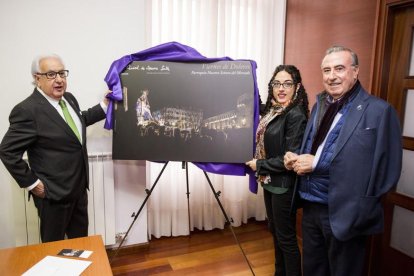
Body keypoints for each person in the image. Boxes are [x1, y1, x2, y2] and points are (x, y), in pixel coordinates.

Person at [284, 46, 403, 276]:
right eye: (326, 70)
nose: (331, 76)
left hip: (346, 213)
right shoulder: (320, 105)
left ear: (355, 72)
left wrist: (363, 209)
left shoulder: (379, 111)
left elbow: (387, 172)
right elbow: (319, 147)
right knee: (313, 270)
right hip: (311, 208)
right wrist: (298, 157)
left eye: (339, 68)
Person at [0, 54, 109, 242]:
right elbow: (7, 151)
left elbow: (78, 121)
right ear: (37, 78)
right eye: (51, 74)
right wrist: (33, 184)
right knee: (54, 249)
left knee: (80, 244)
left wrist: (105, 105)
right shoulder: (27, 110)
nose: (59, 79)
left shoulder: (69, 98)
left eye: (62, 73)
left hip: (78, 190)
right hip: (53, 196)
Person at [246, 65, 309, 276]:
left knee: (286, 239)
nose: (281, 88)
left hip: (284, 185)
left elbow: (290, 158)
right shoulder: (273, 110)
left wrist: (260, 164)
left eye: (287, 84)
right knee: (276, 234)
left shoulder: (296, 114)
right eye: (277, 84)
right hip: (269, 182)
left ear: (297, 87)